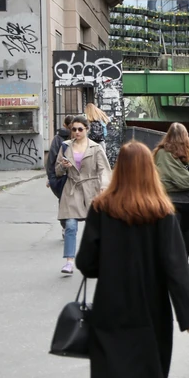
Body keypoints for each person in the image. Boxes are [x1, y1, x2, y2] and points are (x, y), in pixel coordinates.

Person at [76, 141, 189, 378]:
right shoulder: (163, 213)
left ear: (119, 170)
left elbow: (86, 264)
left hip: (110, 316)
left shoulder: (100, 209)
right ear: (151, 171)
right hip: (152, 317)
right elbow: (177, 270)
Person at [56, 114, 111, 275]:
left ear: (87, 129)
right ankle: (69, 261)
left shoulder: (95, 148)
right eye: (74, 129)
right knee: (70, 225)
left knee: (95, 227)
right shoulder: (65, 147)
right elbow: (57, 171)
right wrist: (63, 166)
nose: (77, 132)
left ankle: (99, 258)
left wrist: (104, 187)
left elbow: (104, 170)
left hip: (92, 189)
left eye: (80, 129)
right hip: (72, 188)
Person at [153, 123, 189, 264]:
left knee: (169, 234)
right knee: (185, 231)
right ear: (185, 136)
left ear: (168, 135)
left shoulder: (160, 153)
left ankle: (170, 264)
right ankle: (184, 264)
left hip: (168, 200)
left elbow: (153, 175)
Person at [47, 115, 74, 229]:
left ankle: (66, 227)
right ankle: (68, 227)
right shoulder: (77, 139)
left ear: (64, 125)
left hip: (62, 177)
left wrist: (50, 177)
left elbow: (51, 160)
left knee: (64, 202)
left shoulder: (58, 138)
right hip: (67, 176)